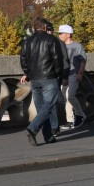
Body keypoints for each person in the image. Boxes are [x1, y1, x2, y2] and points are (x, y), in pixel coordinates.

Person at [20, 18, 67, 146]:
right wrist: (59, 74)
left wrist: (28, 74)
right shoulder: (51, 40)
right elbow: (58, 60)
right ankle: (32, 129)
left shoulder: (26, 41)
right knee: (48, 106)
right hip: (49, 77)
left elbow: (23, 60)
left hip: (34, 79)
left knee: (42, 109)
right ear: (45, 26)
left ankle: (48, 136)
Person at [58, 24, 87, 129]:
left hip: (74, 74)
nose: (59, 35)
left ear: (68, 34)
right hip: (63, 75)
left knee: (70, 95)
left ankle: (80, 114)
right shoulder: (60, 46)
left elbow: (83, 60)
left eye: (61, 33)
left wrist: (80, 73)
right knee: (63, 97)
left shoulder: (77, 46)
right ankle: (69, 120)